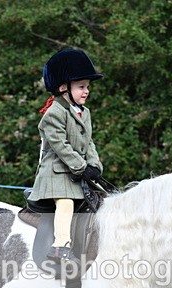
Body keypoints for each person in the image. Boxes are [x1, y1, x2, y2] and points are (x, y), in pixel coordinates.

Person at [28, 49, 104, 261]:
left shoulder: (84, 112)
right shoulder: (54, 113)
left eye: (87, 86)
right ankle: (60, 246)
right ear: (63, 88)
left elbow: (88, 142)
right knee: (66, 202)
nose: (86, 91)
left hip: (76, 173)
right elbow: (60, 145)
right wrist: (81, 166)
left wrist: (95, 166)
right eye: (81, 86)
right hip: (56, 174)